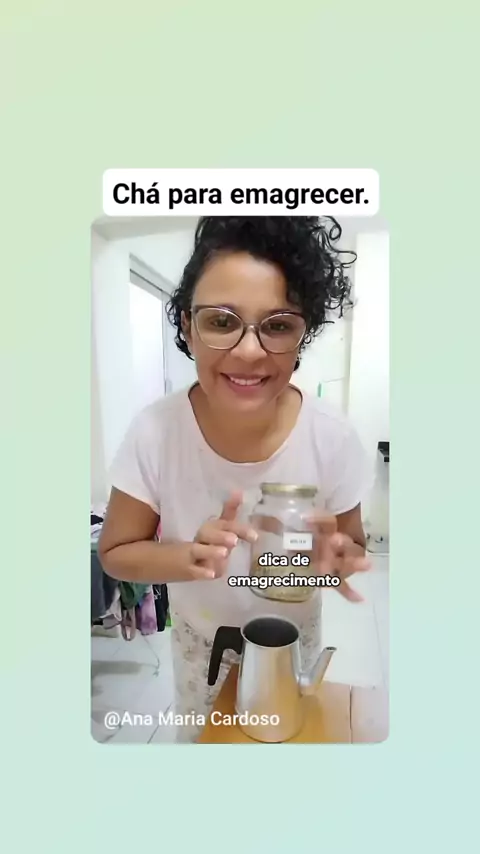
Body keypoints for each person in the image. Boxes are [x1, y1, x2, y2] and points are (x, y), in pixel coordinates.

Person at [98, 216, 371, 742]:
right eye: (222, 322)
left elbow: (352, 544)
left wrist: (336, 558)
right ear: (187, 326)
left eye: (278, 325)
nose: (249, 351)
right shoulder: (155, 431)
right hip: (201, 644)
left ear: (303, 334)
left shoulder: (332, 438)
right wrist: (186, 557)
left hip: (292, 642)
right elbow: (115, 552)